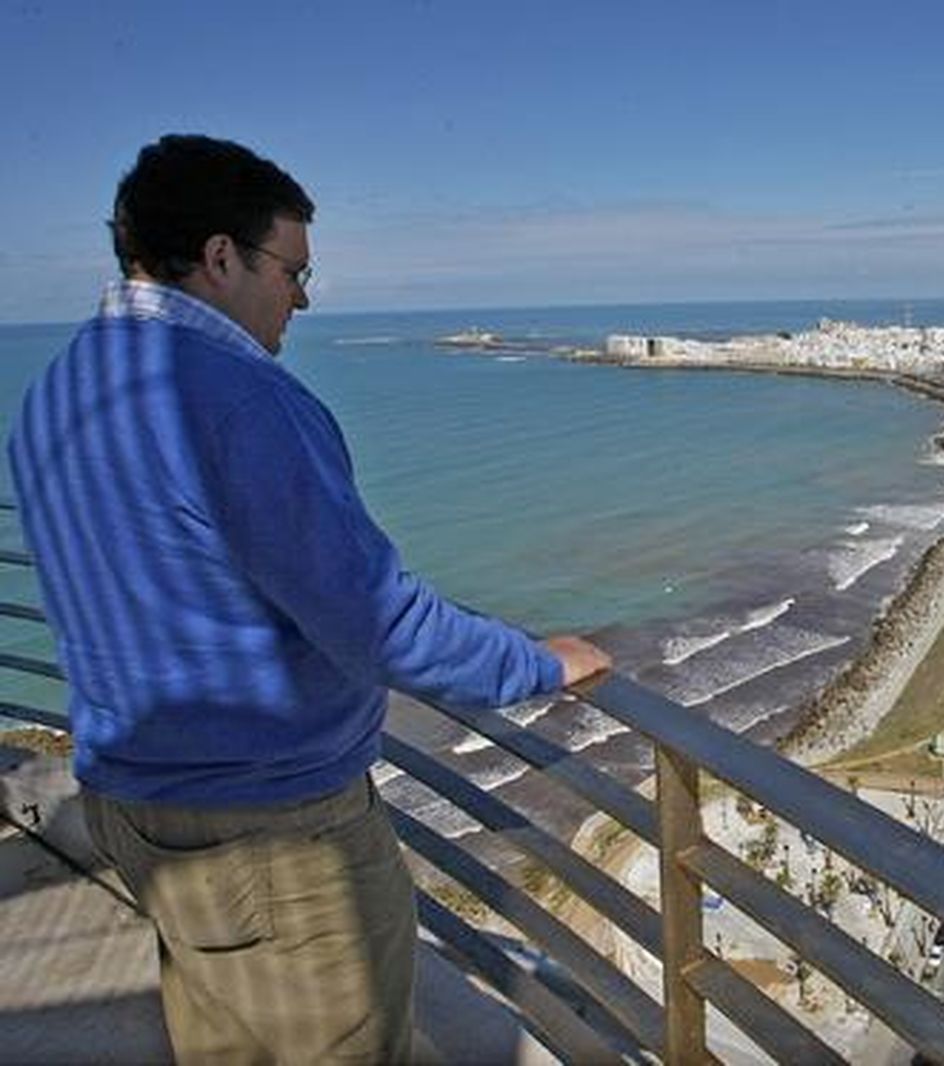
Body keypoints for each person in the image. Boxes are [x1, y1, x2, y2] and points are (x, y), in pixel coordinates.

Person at [6, 133, 611, 1063]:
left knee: (223, 1038)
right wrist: (535, 662)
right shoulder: (240, 399)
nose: (301, 298)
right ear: (219, 257)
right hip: (272, 838)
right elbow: (378, 621)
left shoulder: (61, 389)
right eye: (292, 270)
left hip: (134, 801)